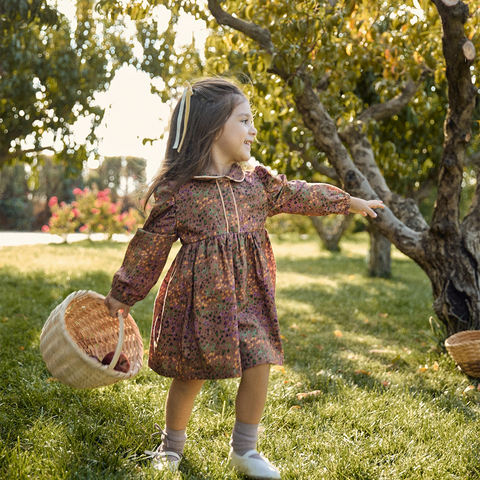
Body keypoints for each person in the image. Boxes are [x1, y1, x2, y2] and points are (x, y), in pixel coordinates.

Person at [104, 77, 384, 479]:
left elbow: (298, 193)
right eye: (245, 120)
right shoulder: (180, 192)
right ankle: (170, 445)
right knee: (191, 374)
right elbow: (150, 246)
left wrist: (348, 201)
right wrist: (124, 293)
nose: (253, 129)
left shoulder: (255, 183)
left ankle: (245, 450)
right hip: (200, 302)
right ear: (214, 128)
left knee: (260, 362)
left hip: (251, 296)